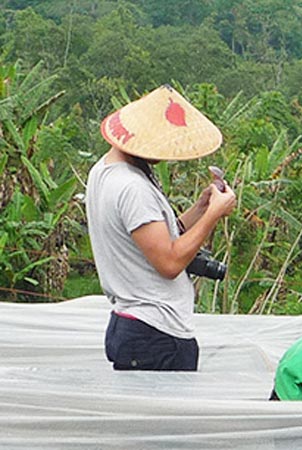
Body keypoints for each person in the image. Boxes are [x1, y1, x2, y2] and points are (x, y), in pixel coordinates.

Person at [86, 85, 236, 371]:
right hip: (156, 334)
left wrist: (201, 208)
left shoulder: (104, 170)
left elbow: (156, 237)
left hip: (135, 327)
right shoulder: (132, 187)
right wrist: (213, 215)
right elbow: (168, 262)